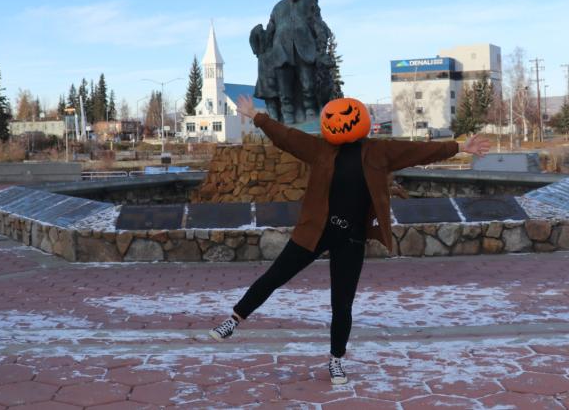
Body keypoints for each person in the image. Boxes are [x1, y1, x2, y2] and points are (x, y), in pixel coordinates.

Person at [209, 95, 490, 385]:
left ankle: (336, 361)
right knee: (274, 277)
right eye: (334, 117)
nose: (341, 122)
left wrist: (460, 147)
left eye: (348, 116)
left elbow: (417, 150)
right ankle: (235, 319)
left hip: (351, 238)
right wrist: (256, 115)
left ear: (362, 120)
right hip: (315, 231)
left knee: (342, 304)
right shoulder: (319, 149)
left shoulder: (379, 151)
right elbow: (286, 136)